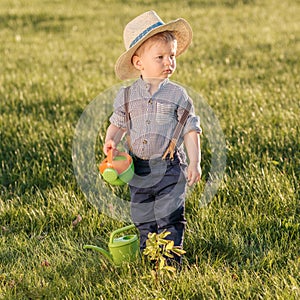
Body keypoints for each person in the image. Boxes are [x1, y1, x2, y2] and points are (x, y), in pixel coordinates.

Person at [103, 10, 201, 265]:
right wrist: (111, 140)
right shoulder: (127, 96)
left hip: (169, 167)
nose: (169, 62)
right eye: (160, 57)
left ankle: (170, 261)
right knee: (143, 215)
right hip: (139, 168)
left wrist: (194, 162)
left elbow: (191, 129)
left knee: (170, 215)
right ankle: (151, 255)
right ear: (139, 63)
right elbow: (117, 124)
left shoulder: (178, 96)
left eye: (171, 56)